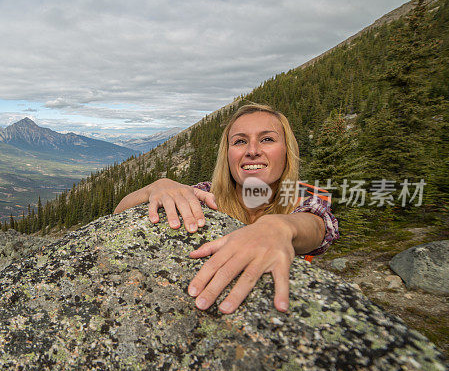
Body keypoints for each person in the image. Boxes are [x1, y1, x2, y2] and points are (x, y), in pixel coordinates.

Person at [114, 102, 339, 314]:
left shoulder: (304, 201)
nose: (252, 150)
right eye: (240, 141)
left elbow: (320, 226)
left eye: (267, 139)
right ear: (227, 154)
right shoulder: (207, 195)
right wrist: (157, 187)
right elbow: (117, 215)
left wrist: (280, 227)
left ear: (287, 151)